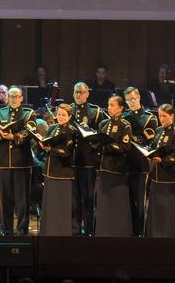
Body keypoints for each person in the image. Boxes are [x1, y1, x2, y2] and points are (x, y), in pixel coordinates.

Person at [0, 86, 33, 235]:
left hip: (21, 162)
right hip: (4, 161)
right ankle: (5, 228)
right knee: (5, 198)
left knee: (22, 199)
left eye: (16, 96)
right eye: (11, 96)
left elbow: (30, 133)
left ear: (21, 98)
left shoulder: (28, 114)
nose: (13, 98)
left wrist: (13, 137)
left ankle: (22, 229)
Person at [145, 104, 175, 238]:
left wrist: (162, 161)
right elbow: (153, 148)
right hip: (157, 178)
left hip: (171, 180)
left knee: (171, 212)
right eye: (160, 116)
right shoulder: (158, 131)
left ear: (172, 116)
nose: (161, 119)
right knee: (158, 212)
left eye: (164, 116)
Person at [94, 94, 132, 237]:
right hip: (103, 168)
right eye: (108, 105)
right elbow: (99, 144)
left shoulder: (125, 125)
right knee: (104, 204)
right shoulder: (104, 124)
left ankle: (119, 232)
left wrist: (108, 144)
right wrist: (95, 143)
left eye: (112, 105)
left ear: (121, 108)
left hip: (117, 170)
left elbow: (125, 147)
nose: (109, 108)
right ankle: (103, 232)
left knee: (116, 203)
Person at [71, 81, 106, 236]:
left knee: (88, 197)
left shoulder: (95, 111)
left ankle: (89, 229)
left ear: (87, 94)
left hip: (88, 160)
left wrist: (96, 143)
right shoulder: (68, 110)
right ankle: (75, 229)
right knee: (74, 198)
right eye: (76, 92)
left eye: (81, 92)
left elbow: (103, 130)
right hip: (72, 160)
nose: (78, 95)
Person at [38, 102, 77, 236]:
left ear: (69, 116)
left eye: (63, 115)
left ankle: (60, 232)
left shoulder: (71, 131)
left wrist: (51, 149)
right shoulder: (52, 128)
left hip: (62, 172)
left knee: (60, 205)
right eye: (59, 114)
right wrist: (43, 145)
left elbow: (66, 153)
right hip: (49, 170)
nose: (60, 117)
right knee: (50, 205)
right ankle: (47, 232)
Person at [121, 87, 153, 236]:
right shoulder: (124, 116)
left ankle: (140, 233)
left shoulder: (149, 117)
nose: (131, 102)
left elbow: (145, 140)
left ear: (139, 97)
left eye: (133, 99)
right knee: (127, 201)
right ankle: (129, 231)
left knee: (140, 202)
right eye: (128, 100)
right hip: (125, 163)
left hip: (141, 164)